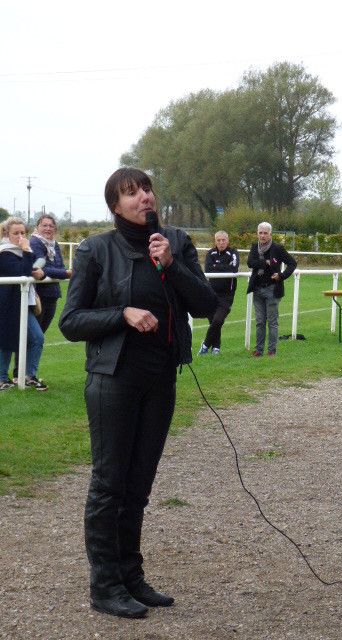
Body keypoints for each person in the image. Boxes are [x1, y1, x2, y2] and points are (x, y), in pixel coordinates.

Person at [59, 168, 218, 619]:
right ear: (115, 205)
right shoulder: (95, 249)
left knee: (139, 486)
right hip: (113, 378)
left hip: (160, 378)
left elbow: (208, 305)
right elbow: (70, 321)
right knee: (110, 483)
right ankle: (105, 585)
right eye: (131, 193)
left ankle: (130, 576)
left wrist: (171, 265)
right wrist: (122, 313)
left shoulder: (176, 243)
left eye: (146, 189)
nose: (143, 197)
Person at [0, 217, 48, 391]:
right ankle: (2, 379)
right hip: (7, 304)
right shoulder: (4, 253)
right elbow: (23, 272)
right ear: (7, 235)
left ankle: (29, 376)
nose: (20, 237)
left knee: (37, 338)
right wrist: (26, 250)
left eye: (23, 233)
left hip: (22, 304)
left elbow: (34, 267)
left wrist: (41, 272)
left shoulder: (22, 251)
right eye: (16, 233)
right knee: (5, 340)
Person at [246, 222, 296, 357]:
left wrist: (281, 275)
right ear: (257, 234)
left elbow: (292, 263)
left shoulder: (277, 248)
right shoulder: (254, 247)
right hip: (257, 289)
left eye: (265, 233)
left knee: (272, 322)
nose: (262, 236)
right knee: (259, 322)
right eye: (260, 233)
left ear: (270, 234)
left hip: (272, 289)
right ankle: (259, 350)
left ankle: (271, 351)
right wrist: (265, 262)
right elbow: (250, 263)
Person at [198, 230, 239, 355]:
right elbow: (208, 269)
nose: (221, 243)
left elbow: (234, 268)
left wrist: (217, 266)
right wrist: (224, 266)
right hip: (211, 293)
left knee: (218, 320)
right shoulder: (211, 253)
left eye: (223, 240)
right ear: (215, 242)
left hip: (227, 295)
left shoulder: (233, 253)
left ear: (228, 241)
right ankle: (216, 348)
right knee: (213, 321)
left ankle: (205, 345)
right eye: (218, 240)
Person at [29, 214, 72, 333]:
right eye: (44, 225)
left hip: (52, 295)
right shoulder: (35, 243)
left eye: (51, 226)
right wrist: (65, 273)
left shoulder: (54, 244)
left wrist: (63, 272)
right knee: (34, 338)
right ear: (37, 227)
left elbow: (60, 267)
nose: (48, 228)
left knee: (40, 335)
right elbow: (41, 268)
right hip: (39, 295)